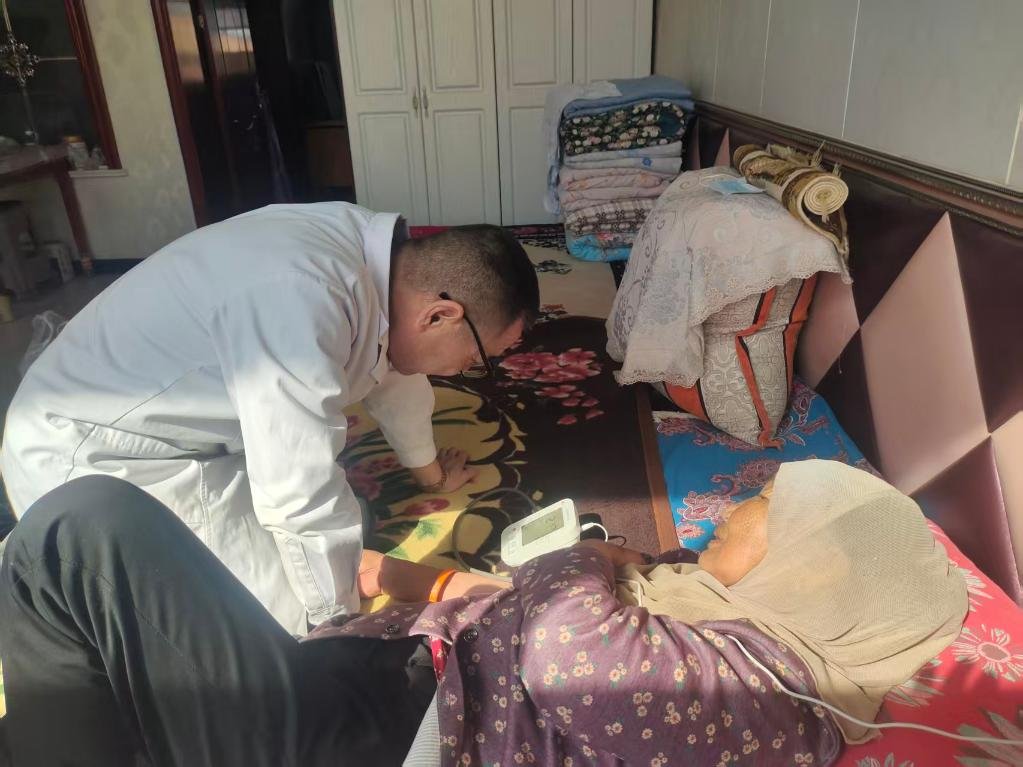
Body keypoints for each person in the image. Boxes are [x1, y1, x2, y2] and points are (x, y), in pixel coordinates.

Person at [0, 460, 967, 766]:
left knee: (80, 532)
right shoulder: (724, 621)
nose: (726, 512)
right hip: (385, 690)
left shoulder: (770, 689)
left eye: (757, 506)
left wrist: (580, 558)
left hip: (386, 740)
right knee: (104, 652)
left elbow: (567, 660)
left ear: (810, 565)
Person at [0, 203, 539, 633]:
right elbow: (297, 487)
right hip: (97, 458)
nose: (465, 372)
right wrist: (337, 624)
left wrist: (431, 476)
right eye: (477, 359)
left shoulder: (383, 267)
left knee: (338, 542)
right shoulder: (304, 299)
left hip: (185, 431)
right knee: (275, 621)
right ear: (440, 315)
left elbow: (396, 374)